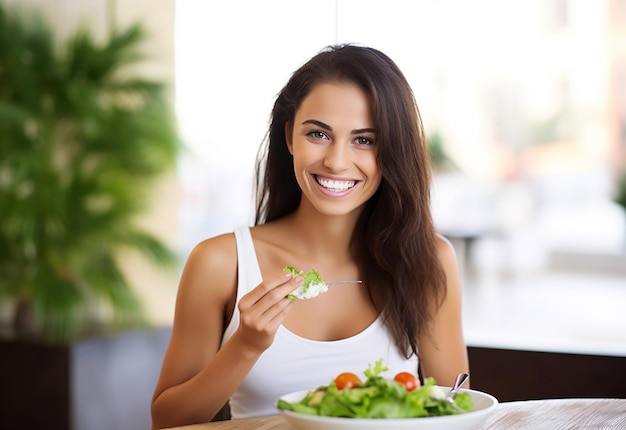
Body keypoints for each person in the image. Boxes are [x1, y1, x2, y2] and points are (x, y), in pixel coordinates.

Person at [151, 44, 468, 429]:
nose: (336, 161)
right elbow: (166, 422)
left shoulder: (429, 260)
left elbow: (455, 410)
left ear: (393, 149)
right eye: (318, 134)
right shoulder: (221, 263)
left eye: (364, 140)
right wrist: (246, 345)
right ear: (289, 137)